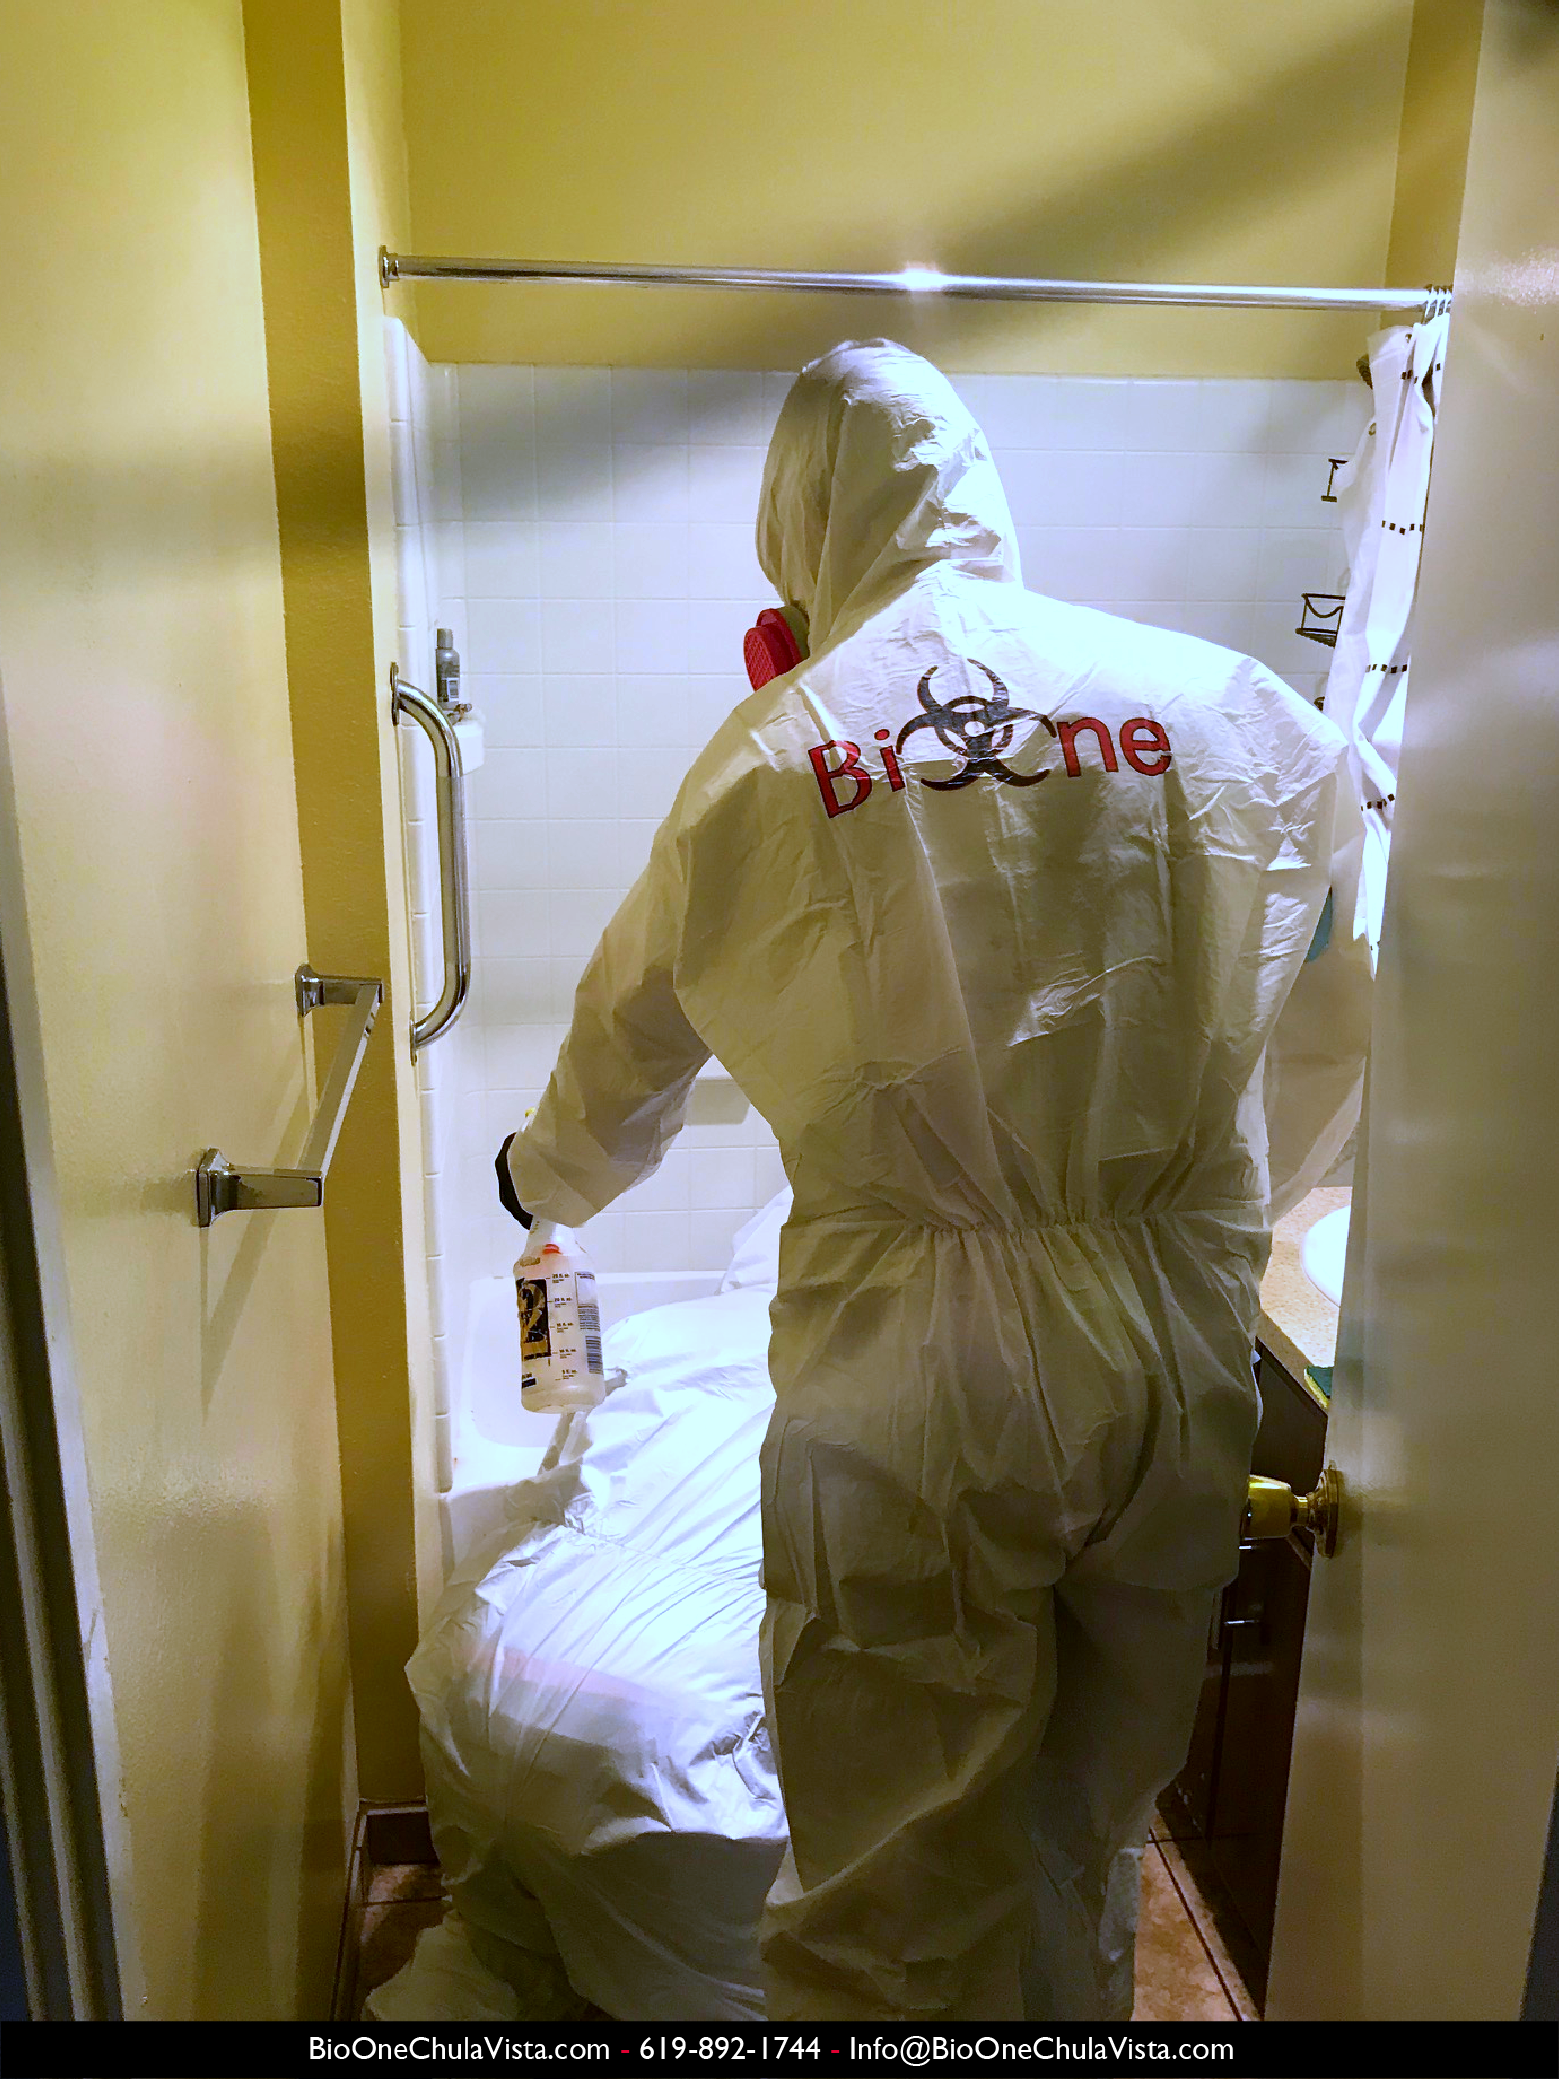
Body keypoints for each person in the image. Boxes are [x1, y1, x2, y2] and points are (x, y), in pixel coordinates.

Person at [494, 339, 1371, 2020]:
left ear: (797, 518)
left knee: (892, 1870)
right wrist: (1243, 1207)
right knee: (1091, 1814)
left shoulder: (773, 752)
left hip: (912, 1371)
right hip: (1171, 1326)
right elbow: (1334, 1003)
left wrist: (546, 1176)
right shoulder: (1232, 706)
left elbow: (630, 1030)